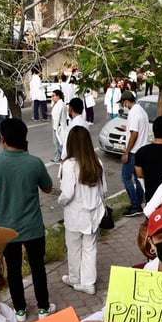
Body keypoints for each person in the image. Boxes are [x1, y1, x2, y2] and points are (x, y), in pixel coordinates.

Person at [0, 118, 56, 322]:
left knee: (13, 270)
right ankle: (43, 308)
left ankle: (20, 310)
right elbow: (48, 188)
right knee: (38, 267)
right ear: (24, 139)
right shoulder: (35, 162)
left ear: (2, 138)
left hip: (7, 230)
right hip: (33, 228)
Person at [58, 126, 106, 295]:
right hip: (93, 214)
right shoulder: (96, 162)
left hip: (75, 214)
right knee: (90, 248)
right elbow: (103, 190)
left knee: (73, 247)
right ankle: (89, 283)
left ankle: (75, 278)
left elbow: (67, 194)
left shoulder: (70, 165)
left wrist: (60, 201)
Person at [119, 90, 148, 217]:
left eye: (123, 103)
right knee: (138, 179)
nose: (123, 106)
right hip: (142, 149)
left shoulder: (134, 113)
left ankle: (135, 204)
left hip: (134, 151)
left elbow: (134, 134)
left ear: (126, 102)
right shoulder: (141, 110)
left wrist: (127, 152)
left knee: (126, 178)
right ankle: (139, 202)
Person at [50, 89, 66, 163]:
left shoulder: (60, 105)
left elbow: (57, 117)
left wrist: (55, 128)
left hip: (58, 126)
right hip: (59, 125)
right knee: (58, 142)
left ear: (58, 96)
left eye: (53, 96)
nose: (52, 97)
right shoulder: (59, 104)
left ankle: (64, 156)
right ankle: (58, 157)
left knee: (57, 143)